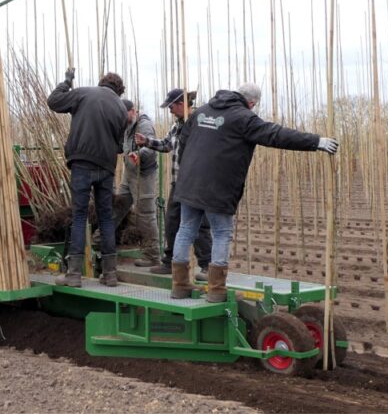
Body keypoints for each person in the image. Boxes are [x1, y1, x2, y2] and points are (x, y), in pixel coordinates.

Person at [170, 83, 339, 301]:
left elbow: (183, 144)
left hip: (189, 183)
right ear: (251, 103)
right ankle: (216, 290)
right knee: (221, 233)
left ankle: (180, 286)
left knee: (185, 230)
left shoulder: (200, 112)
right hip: (218, 188)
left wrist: (189, 173)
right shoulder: (243, 117)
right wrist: (316, 142)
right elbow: (276, 134)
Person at [47, 68, 127, 287]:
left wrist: (67, 81)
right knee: (106, 218)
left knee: (80, 215)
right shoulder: (121, 108)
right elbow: (120, 147)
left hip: (82, 163)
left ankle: (73, 274)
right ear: (119, 91)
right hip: (106, 167)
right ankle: (110, 273)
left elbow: (53, 102)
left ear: (101, 83)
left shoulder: (83, 93)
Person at [134, 87, 212, 278]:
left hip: (196, 184)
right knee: (172, 222)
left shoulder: (198, 123)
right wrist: (147, 142)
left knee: (200, 224)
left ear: (181, 104)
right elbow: (167, 145)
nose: (169, 110)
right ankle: (169, 262)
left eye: (171, 106)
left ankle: (207, 265)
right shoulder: (177, 125)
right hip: (178, 184)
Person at [113, 100, 161, 266]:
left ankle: (152, 256)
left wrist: (140, 154)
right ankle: (100, 240)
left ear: (133, 111)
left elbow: (151, 146)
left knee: (145, 215)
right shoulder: (125, 124)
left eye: (124, 114)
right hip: (129, 172)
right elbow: (121, 145)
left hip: (144, 175)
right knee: (119, 205)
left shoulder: (144, 125)